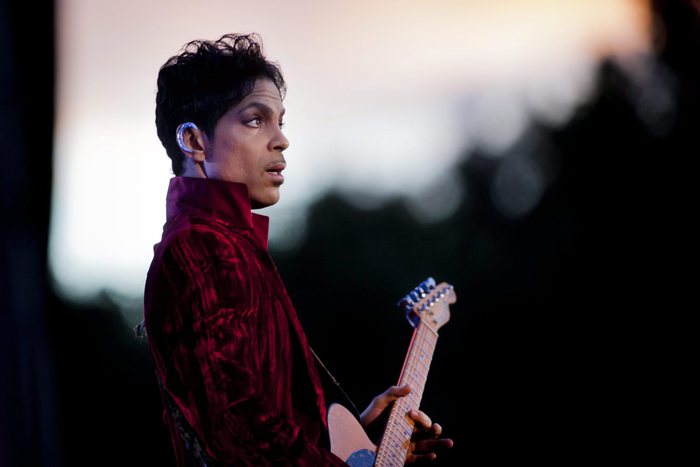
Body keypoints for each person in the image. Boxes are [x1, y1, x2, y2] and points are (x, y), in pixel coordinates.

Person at [143, 33, 453, 466]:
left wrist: (360, 445)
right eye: (255, 120)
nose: (281, 140)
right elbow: (237, 426)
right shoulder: (200, 247)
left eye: (280, 123)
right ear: (194, 141)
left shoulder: (228, 245)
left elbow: (259, 422)